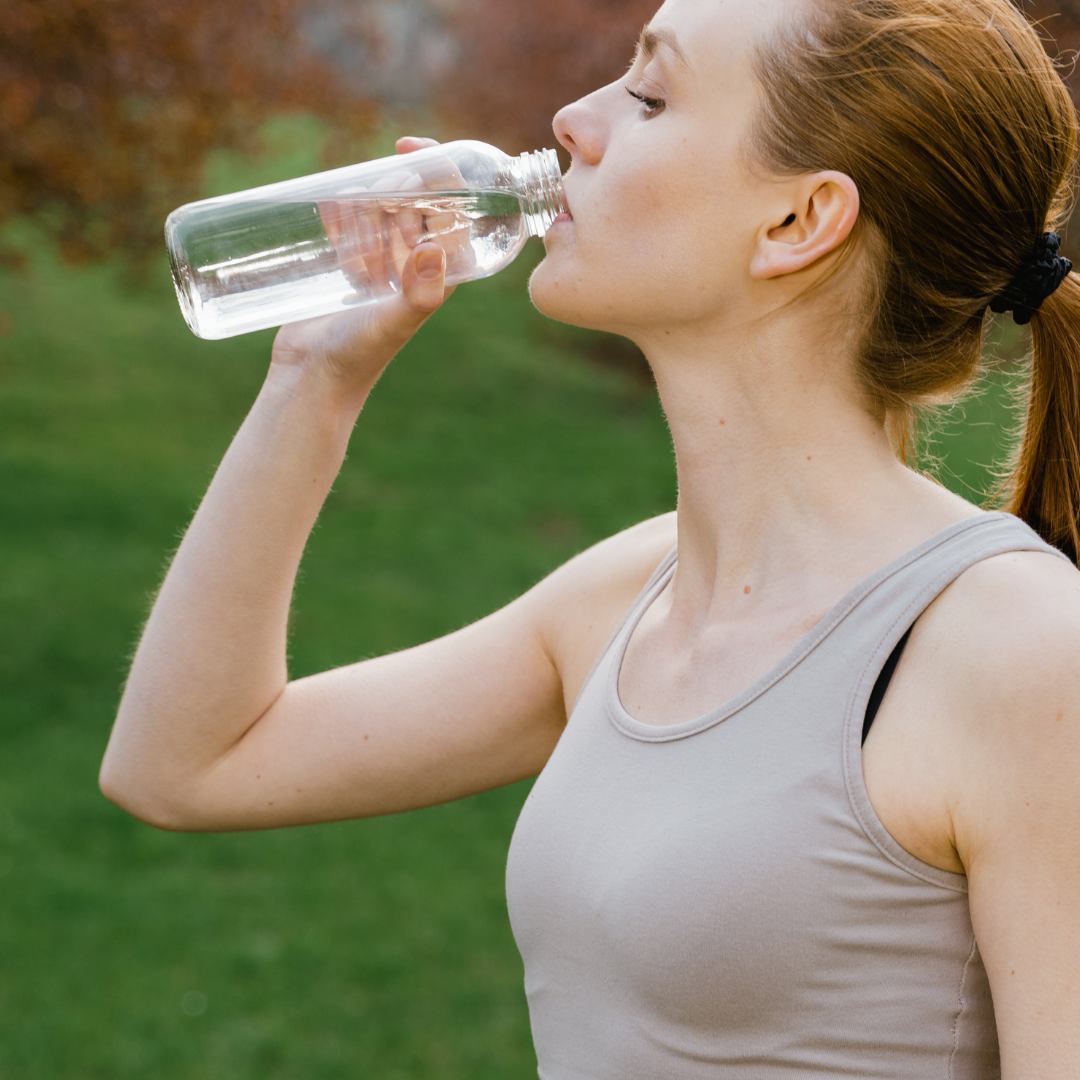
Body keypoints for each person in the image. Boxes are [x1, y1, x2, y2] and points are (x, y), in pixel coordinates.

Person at [101, 0, 1080, 1073]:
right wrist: (313, 380)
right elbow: (185, 766)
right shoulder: (626, 596)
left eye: (651, 97)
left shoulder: (1018, 652)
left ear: (799, 223)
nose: (572, 118)